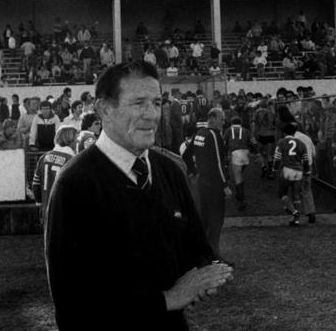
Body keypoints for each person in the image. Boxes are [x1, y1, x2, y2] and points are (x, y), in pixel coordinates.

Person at [45, 60, 233, 330]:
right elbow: (72, 302)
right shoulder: (75, 183)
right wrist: (166, 299)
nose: (152, 114)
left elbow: (196, 247)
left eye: (156, 103)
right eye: (139, 103)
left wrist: (204, 274)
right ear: (104, 109)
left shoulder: (170, 170)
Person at [184, 108, 231, 260]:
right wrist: (225, 185)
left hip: (202, 183)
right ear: (213, 118)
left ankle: (201, 255)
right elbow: (218, 162)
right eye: (222, 119)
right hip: (215, 184)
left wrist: (193, 171)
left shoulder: (200, 133)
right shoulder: (213, 135)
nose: (224, 122)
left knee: (204, 220)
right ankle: (214, 257)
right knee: (216, 221)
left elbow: (186, 155)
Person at [32, 125, 78, 222]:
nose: (77, 142)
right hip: (66, 212)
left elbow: (36, 185)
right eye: (76, 139)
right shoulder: (72, 160)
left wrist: (40, 205)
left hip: (47, 211)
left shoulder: (43, 157)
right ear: (69, 140)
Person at [274, 123, 310, 227]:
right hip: (299, 171)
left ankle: (294, 212)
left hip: (287, 170)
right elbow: (306, 160)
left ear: (284, 132)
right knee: (296, 195)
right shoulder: (301, 143)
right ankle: (296, 220)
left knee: (282, 193)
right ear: (294, 132)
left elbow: (277, 157)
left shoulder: (281, 142)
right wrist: (307, 172)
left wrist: (274, 169)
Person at [223, 116, 252, 211]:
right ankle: (239, 194)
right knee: (239, 174)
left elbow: (224, 143)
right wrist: (255, 152)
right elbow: (252, 142)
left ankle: (242, 199)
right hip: (246, 153)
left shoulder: (228, 130)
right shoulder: (246, 130)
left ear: (231, 123)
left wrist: (224, 154)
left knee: (237, 177)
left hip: (236, 153)